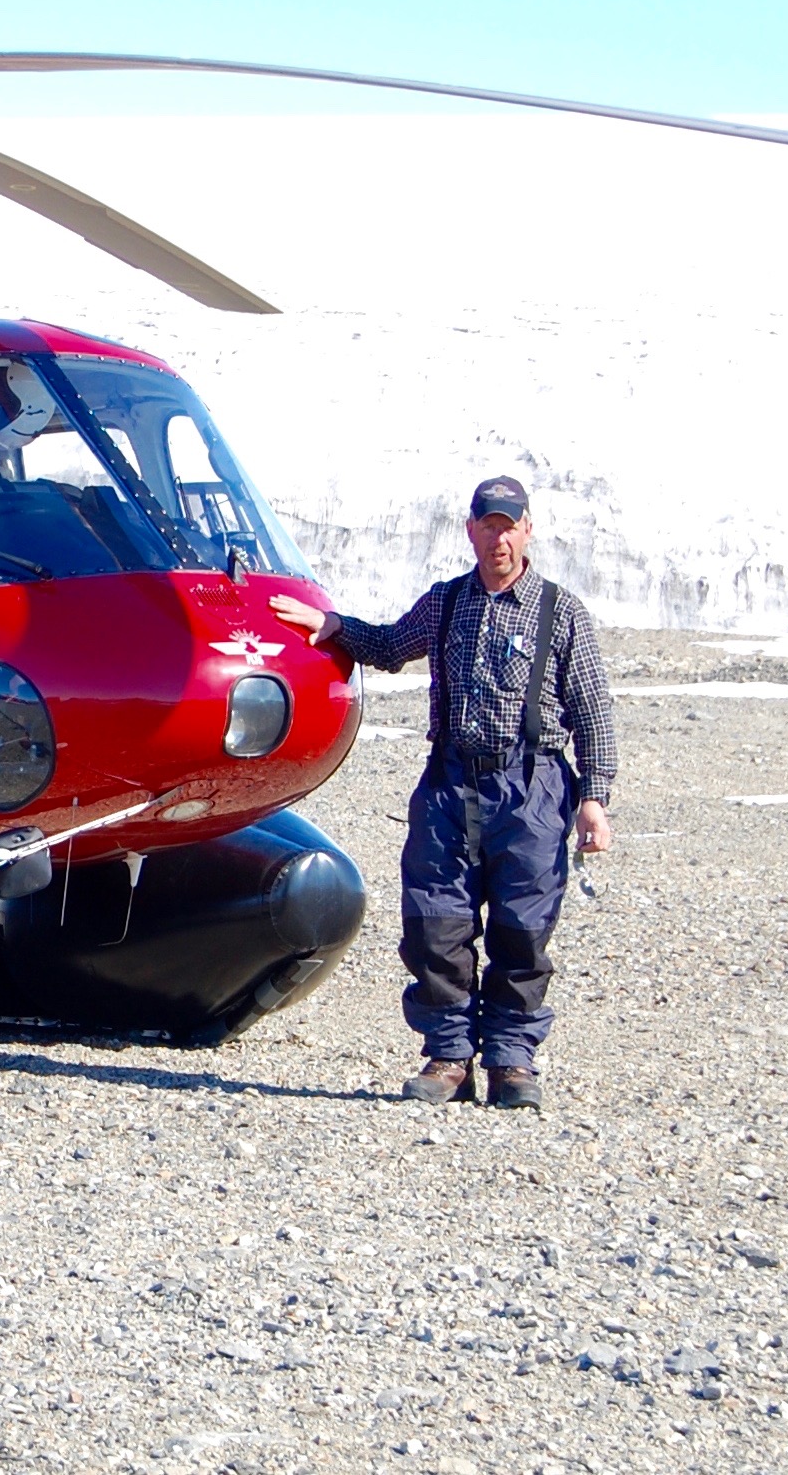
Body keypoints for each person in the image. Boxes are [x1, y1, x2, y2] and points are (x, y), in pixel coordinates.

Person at [269, 476, 616, 1110]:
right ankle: (450, 1055)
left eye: (509, 525)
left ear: (528, 529)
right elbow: (389, 646)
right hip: (450, 782)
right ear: (471, 530)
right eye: (488, 525)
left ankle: (513, 1060)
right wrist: (330, 625)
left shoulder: (560, 612)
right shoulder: (447, 602)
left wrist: (594, 798)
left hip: (531, 786)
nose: (499, 537)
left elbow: (592, 709)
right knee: (435, 921)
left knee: (523, 927)